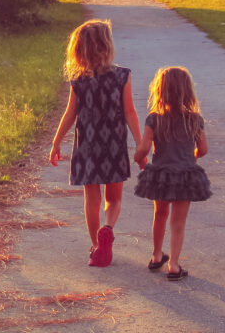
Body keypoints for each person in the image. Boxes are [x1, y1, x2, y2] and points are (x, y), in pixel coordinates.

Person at [50, 20, 142, 267]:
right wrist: (141, 145)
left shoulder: (79, 80)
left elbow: (70, 114)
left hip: (87, 147)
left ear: (79, 50)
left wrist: (56, 142)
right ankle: (108, 227)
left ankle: (96, 246)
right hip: (114, 146)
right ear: (107, 46)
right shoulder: (122, 76)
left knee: (92, 200)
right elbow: (130, 113)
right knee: (114, 199)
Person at [133, 66, 211, 281]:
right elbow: (203, 149)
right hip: (185, 176)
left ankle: (157, 255)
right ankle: (174, 265)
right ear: (188, 92)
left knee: (160, 214)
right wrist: (193, 155)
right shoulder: (194, 120)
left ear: (160, 91)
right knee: (178, 222)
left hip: (161, 176)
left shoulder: (154, 119)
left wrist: (139, 158)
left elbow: (144, 148)